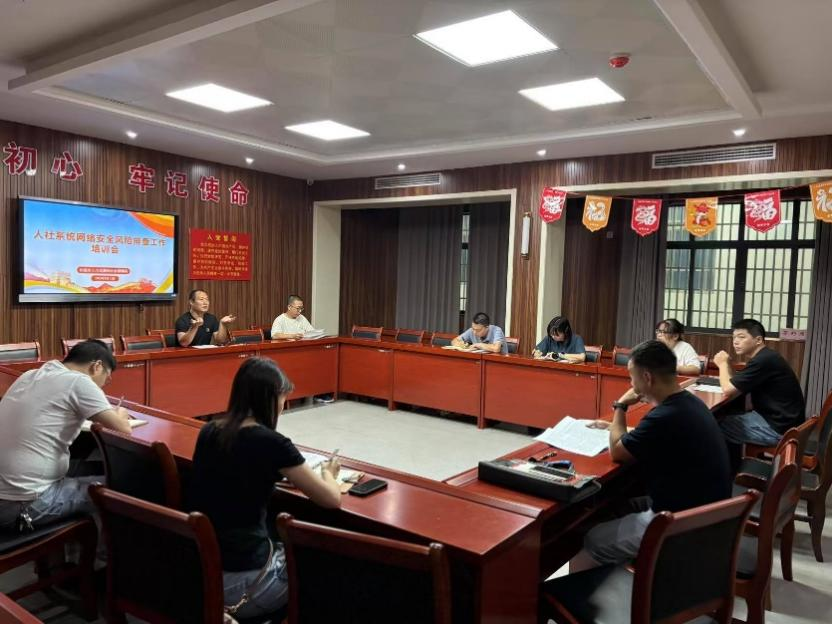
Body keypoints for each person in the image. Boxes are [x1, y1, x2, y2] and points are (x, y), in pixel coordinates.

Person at [187, 357, 342, 619]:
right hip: (245, 583)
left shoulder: (209, 431)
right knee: (323, 572)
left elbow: (237, 471)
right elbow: (331, 499)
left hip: (202, 571)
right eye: (282, 398)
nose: (283, 405)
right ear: (269, 399)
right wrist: (329, 473)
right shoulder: (273, 443)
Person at [570, 340, 731, 570]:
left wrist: (620, 406)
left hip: (681, 521)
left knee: (592, 539)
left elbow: (617, 451)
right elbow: (660, 434)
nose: (631, 384)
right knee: (618, 506)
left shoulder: (664, 415)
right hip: (707, 511)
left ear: (646, 377)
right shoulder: (689, 403)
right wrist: (619, 428)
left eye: (632, 377)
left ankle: (596, 593)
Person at [0, 340, 131, 532]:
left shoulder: (30, 375)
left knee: (104, 469)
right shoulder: (79, 381)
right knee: (120, 489)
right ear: (97, 366)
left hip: (9, 493)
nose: (104, 385)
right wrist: (121, 414)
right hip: (23, 505)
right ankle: (103, 551)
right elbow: (123, 428)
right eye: (107, 377)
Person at [713, 318, 805, 447]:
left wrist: (722, 364)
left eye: (741, 337)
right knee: (726, 416)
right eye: (734, 337)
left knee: (713, 424)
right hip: (784, 423)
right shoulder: (766, 356)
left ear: (758, 340)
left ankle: (724, 460)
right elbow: (736, 384)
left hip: (778, 429)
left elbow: (728, 389)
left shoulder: (763, 360)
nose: (735, 342)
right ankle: (732, 459)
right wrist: (727, 364)